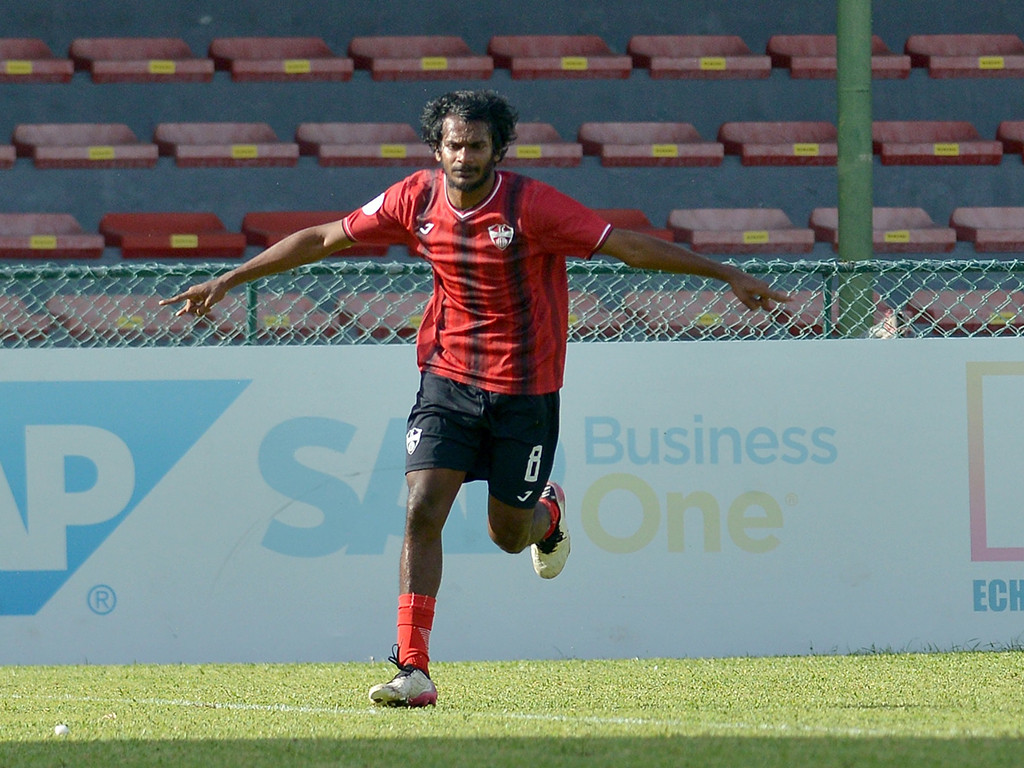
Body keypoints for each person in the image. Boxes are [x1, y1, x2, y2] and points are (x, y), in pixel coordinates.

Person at [161, 89, 789, 708]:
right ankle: (412, 669)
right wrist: (228, 279)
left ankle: (547, 516)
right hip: (448, 380)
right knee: (421, 509)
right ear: (436, 148)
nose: (465, 157)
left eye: (478, 146)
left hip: (525, 392)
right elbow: (325, 238)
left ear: (498, 149)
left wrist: (726, 274)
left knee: (508, 536)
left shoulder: (531, 205)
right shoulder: (414, 198)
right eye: (454, 145)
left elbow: (626, 246)